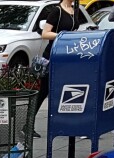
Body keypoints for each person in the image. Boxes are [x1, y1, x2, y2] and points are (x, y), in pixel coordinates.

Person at [33, 0, 91, 133]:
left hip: (67, 55)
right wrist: (63, 36)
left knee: (72, 89)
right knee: (44, 90)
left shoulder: (74, 10)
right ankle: (28, 124)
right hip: (53, 55)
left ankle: (76, 124)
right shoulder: (56, 11)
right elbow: (45, 33)